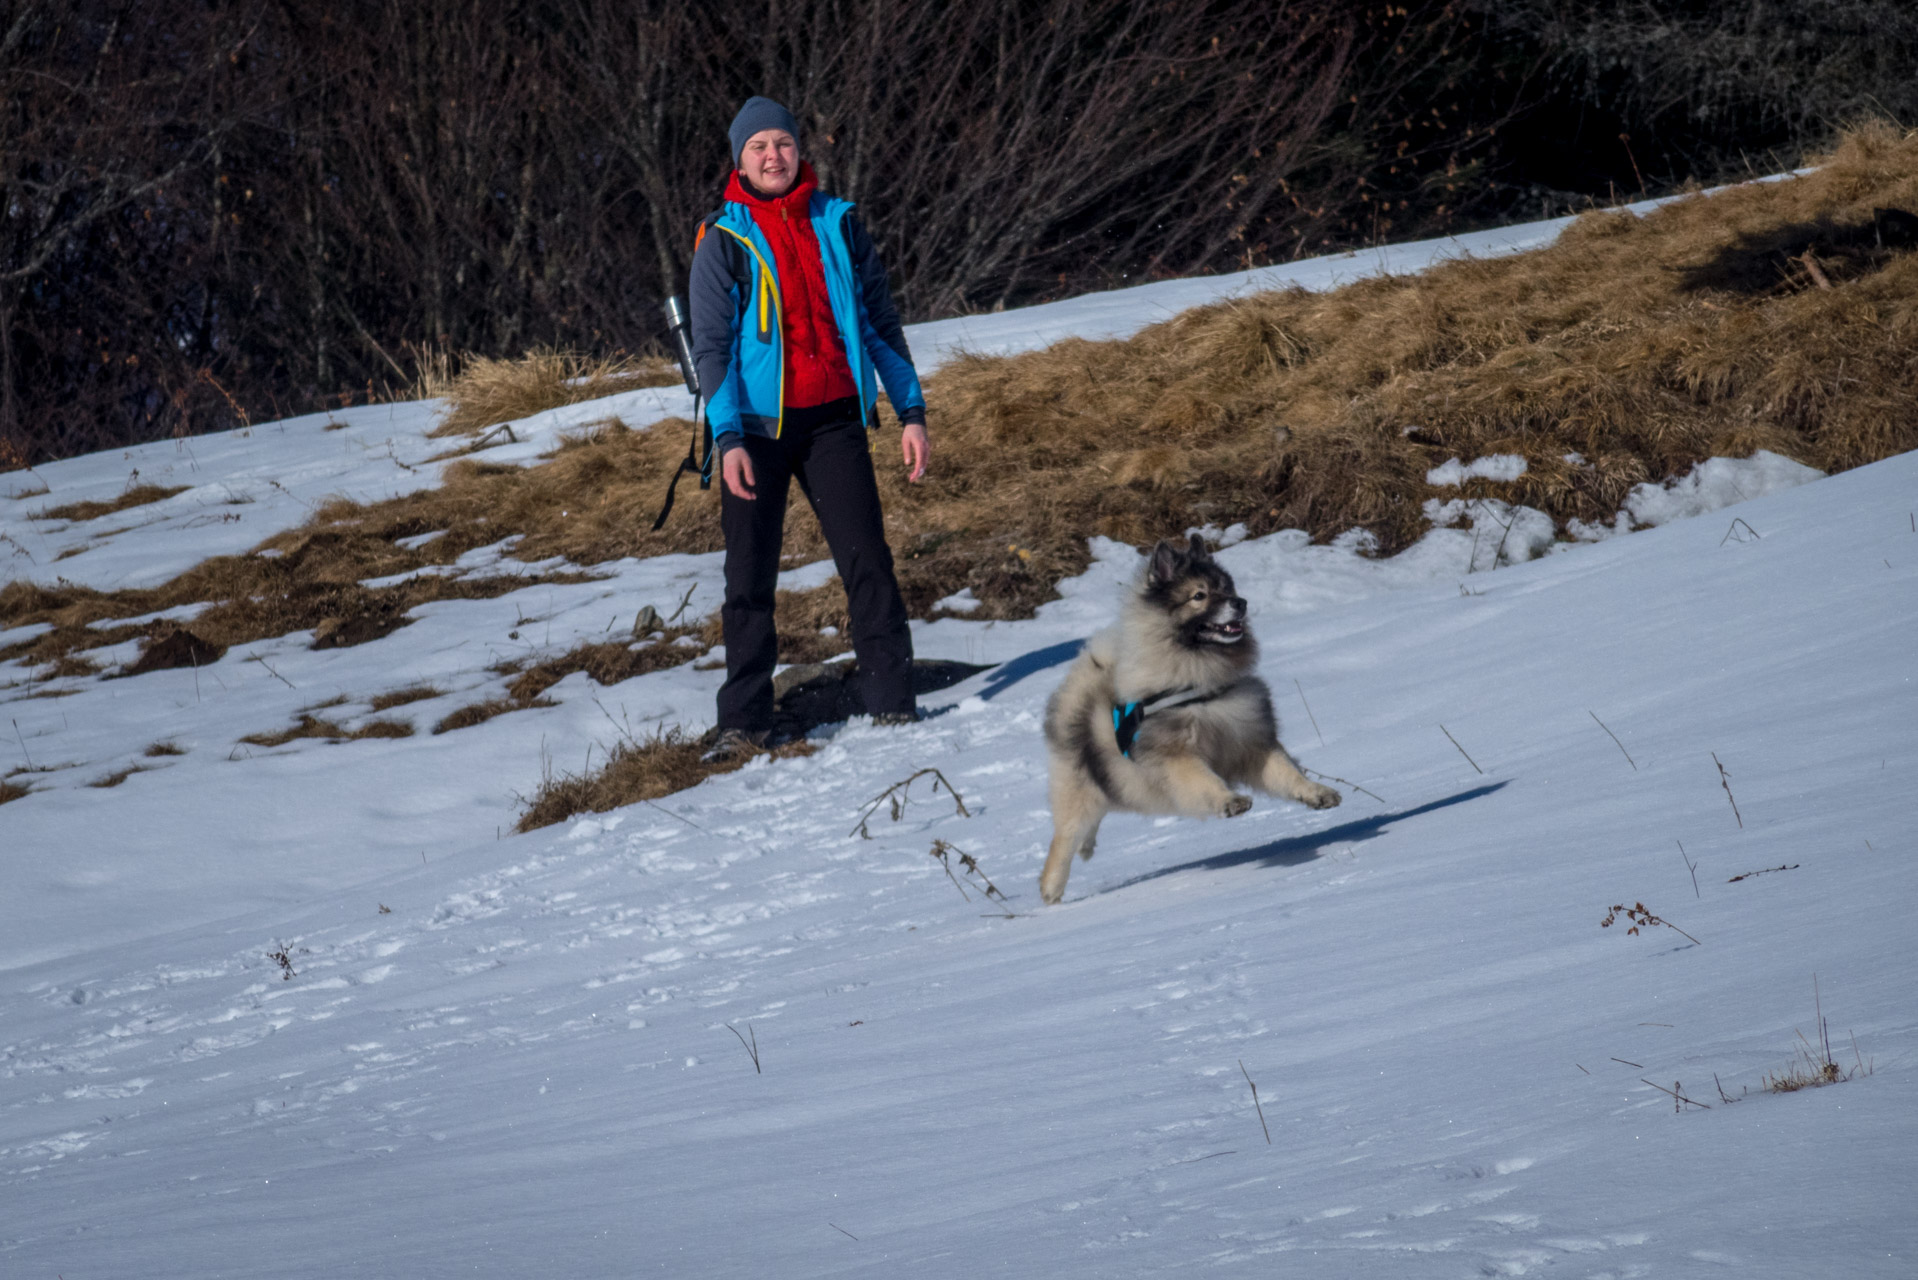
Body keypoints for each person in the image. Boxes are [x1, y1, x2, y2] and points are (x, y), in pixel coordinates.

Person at [689, 96, 930, 763]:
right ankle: (743, 720)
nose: (773, 156)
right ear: (740, 160)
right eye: (759, 147)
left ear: (801, 151)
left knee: (868, 560)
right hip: (757, 433)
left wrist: (911, 413)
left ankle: (891, 700)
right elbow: (711, 350)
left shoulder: (840, 223)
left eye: (783, 144)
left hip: (834, 420)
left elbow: (881, 324)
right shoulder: (724, 238)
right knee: (749, 577)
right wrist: (728, 438)